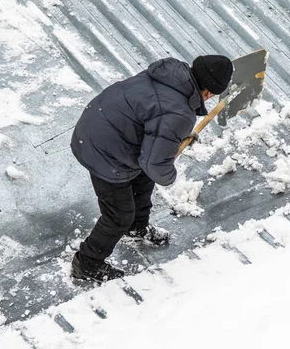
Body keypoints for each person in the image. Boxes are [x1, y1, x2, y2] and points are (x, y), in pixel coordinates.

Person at [69, 55, 233, 282]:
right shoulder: (179, 113)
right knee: (118, 215)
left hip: (96, 126)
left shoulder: (168, 75)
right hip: (104, 153)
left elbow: (152, 116)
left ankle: (136, 228)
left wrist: (175, 136)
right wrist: (169, 173)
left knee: (143, 178)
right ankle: (87, 264)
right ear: (209, 93)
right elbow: (156, 166)